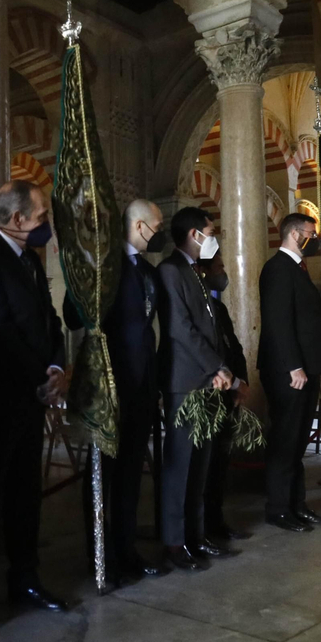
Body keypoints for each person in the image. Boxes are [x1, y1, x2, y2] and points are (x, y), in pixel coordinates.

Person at [0, 180, 68, 626]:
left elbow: (49, 320)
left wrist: (57, 367)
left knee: (26, 494)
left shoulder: (30, 260)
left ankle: (24, 580)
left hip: (31, 397)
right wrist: (40, 376)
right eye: (42, 216)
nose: (46, 225)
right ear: (18, 220)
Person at [155, 207, 238, 570]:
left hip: (207, 380)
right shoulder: (170, 271)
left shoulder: (197, 273)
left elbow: (212, 327)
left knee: (201, 464)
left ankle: (197, 534)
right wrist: (215, 367)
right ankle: (174, 543)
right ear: (193, 234)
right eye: (210, 231)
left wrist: (222, 369)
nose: (213, 237)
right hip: (185, 382)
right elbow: (180, 328)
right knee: (180, 466)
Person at [98, 199, 173, 582]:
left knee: (130, 473)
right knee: (105, 473)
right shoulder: (105, 266)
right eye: (157, 226)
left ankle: (126, 549)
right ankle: (100, 554)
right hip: (112, 385)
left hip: (143, 383)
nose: (160, 232)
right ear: (141, 225)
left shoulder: (147, 269)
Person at [257, 212, 321, 533]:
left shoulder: (297, 269)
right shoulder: (277, 268)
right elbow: (277, 322)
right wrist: (293, 365)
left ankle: (297, 505)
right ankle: (278, 509)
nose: (314, 241)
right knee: (285, 440)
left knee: (298, 441)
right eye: (310, 235)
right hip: (289, 371)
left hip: (306, 368)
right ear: (294, 233)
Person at [196, 255, 251, 543]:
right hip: (210, 394)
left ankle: (217, 522)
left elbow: (234, 347)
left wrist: (242, 382)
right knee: (205, 468)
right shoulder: (197, 307)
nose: (223, 273)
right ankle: (203, 528)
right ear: (203, 272)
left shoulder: (217, 306)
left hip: (230, 393)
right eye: (218, 268)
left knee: (220, 466)